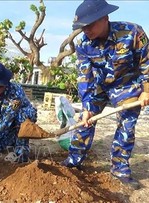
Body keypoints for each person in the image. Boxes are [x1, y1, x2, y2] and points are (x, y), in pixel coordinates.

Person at [61, 0, 149, 190]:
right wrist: (87, 107)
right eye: (82, 27)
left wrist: (146, 91)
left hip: (126, 85)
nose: (86, 30)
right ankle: (74, 160)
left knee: (127, 124)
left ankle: (120, 169)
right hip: (99, 86)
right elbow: (84, 77)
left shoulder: (133, 33)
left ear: (105, 18)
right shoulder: (83, 44)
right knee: (85, 121)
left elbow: (146, 64)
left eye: (90, 25)